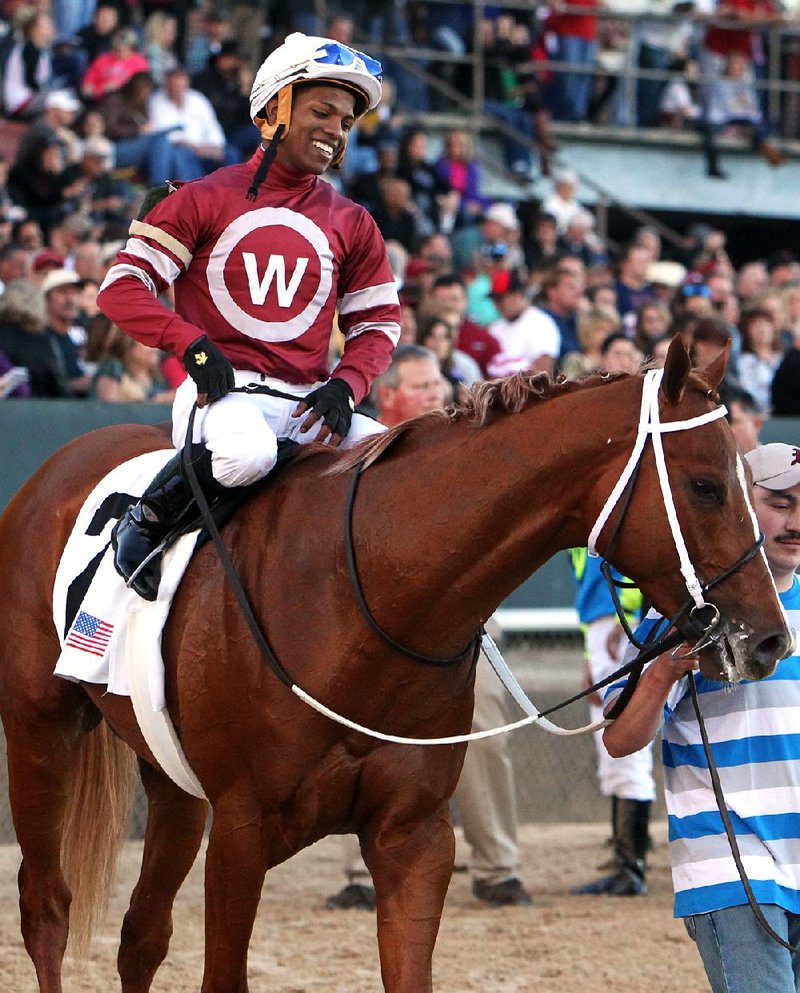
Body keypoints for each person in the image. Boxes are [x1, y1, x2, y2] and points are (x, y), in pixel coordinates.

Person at [97, 31, 400, 601]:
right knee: (249, 454)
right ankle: (146, 518)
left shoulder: (353, 221)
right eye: (322, 111)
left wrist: (348, 384)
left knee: (399, 464)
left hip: (310, 401)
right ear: (273, 109)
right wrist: (190, 344)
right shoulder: (202, 196)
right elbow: (122, 288)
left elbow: (378, 324)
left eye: (344, 121)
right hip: (224, 398)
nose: (335, 130)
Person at [326, 345, 533, 910]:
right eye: (422, 386)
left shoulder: (469, 455)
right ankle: (359, 875)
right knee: (351, 733)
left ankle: (498, 867)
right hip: (367, 629)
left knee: (487, 724)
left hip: (461, 626)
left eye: (439, 382)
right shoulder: (355, 453)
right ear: (388, 395)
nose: (436, 394)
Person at [602, 442, 800, 993]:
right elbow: (620, 741)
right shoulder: (676, 619)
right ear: (739, 504)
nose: (795, 521)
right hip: (731, 870)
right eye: (780, 503)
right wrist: (665, 670)